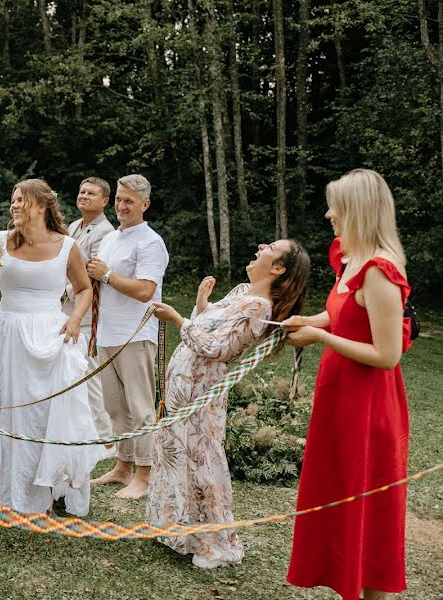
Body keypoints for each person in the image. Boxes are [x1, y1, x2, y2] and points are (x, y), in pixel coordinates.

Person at [285, 169, 412, 600]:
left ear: (357, 210)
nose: (328, 214)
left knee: (365, 504)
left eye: (335, 206)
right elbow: (344, 316)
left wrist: (319, 337)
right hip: (338, 397)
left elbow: (387, 354)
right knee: (339, 496)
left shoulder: (380, 271)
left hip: (368, 404)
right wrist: (311, 320)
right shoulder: (348, 257)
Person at [147, 241, 310, 568]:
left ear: (278, 269)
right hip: (182, 386)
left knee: (203, 463)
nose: (262, 246)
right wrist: (199, 305)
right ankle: (181, 533)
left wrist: (178, 319)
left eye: (271, 247)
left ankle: (220, 545)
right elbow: (206, 326)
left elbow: (216, 348)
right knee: (175, 456)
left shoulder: (259, 307)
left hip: (202, 392)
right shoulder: (239, 292)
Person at [0, 179, 101, 516]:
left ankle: (47, 492)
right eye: (12, 200)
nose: (14, 206)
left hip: (50, 336)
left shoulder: (68, 246)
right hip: (6, 334)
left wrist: (75, 319)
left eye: (20, 200)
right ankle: (2, 491)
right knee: (7, 410)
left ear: (41, 206)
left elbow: (84, 290)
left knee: (44, 416)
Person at [86, 174, 169, 499]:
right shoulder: (110, 239)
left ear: (144, 204)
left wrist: (106, 275)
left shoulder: (150, 241)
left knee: (140, 407)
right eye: (119, 199)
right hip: (106, 333)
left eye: (129, 201)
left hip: (136, 335)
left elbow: (146, 291)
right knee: (115, 406)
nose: (122, 206)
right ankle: (123, 467)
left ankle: (145, 474)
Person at [63, 177, 116, 453]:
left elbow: (91, 274)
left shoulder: (105, 232)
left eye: (91, 193)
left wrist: (64, 293)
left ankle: (106, 439)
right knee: (72, 374)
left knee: (90, 375)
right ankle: (82, 431)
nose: (84, 196)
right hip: (67, 312)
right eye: (82, 191)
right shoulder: (74, 226)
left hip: (88, 314)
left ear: (105, 201)